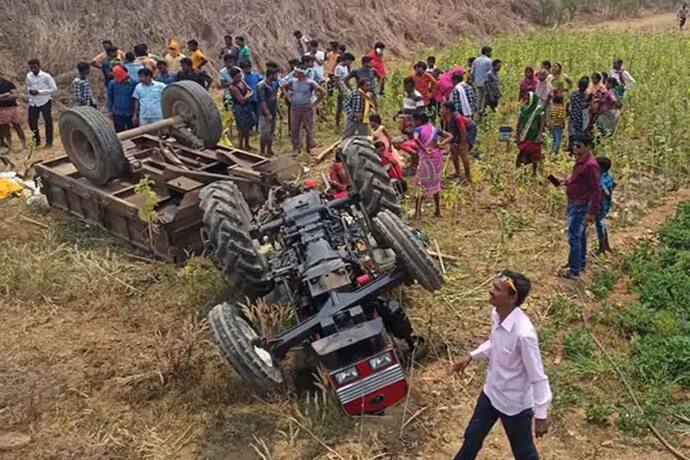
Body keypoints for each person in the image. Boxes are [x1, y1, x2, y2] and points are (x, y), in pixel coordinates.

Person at [451, 270, 551, 460]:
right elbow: (495, 343)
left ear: (512, 298)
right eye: (493, 286)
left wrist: (540, 415)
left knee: (524, 453)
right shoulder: (497, 314)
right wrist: (471, 356)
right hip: (491, 394)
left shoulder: (524, 334)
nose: (491, 290)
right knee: (472, 437)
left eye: (497, 289)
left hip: (514, 405)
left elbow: (538, 377)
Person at [552, 133, 601, 279]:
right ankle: (579, 262)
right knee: (580, 236)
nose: (574, 148)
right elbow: (579, 180)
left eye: (578, 146)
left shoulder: (590, 165)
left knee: (574, 237)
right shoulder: (581, 161)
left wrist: (592, 212)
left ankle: (574, 271)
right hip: (575, 203)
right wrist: (565, 181)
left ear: (587, 147)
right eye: (573, 145)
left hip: (580, 206)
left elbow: (596, 189)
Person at [411, 111, 452, 218]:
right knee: (436, 183)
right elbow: (449, 136)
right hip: (437, 158)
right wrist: (441, 144)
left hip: (426, 159)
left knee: (419, 184)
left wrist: (424, 149)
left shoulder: (418, 129)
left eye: (414, 120)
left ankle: (417, 212)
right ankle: (437, 210)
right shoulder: (435, 129)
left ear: (418, 121)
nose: (413, 122)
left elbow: (415, 138)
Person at [283, 67, 325, 156]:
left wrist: (315, 103)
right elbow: (284, 87)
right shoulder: (293, 81)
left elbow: (323, 92)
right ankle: (296, 148)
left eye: (297, 72)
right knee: (295, 129)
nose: (294, 74)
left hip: (307, 110)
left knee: (309, 129)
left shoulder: (310, 83)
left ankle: (310, 147)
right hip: (294, 109)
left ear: (302, 74)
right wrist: (288, 97)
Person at [442, 101, 475, 183]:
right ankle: (457, 172)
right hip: (456, 132)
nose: (441, 109)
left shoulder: (457, 117)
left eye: (443, 108)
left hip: (469, 129)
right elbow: (449, 129)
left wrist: (463, 144)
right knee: (454, 152)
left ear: (448, 109)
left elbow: (463, 132)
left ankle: (468, 176)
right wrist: (451, 143)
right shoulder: (445, 116)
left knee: (463, 153)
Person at [26, 59, 56, 148]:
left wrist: (39, 92)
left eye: (35, 67)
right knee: (32, 121)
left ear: (39, 66)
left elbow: (54, 89)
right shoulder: (29, 76)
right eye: (31, 67)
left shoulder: (46, 76)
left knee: (47, 122)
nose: (33, 69)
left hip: (45, 101)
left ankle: (49, 142)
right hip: (33, 102)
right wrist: (30, 91)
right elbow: (27, 86)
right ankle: (36, 141)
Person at [515, 92, 546, 176]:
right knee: (523, 153)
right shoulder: (523, 109)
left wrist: (539, 135)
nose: (527, 100)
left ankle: (534, 172)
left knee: (534, 155)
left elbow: (542, 124)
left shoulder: (539, 110)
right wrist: (517, 134)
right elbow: (519, 122)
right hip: (524, 135)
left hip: (534, 135)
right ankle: (523, 172)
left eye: (529, 99)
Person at [226, 67, 255, 150]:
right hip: (239, 108)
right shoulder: (232, 87)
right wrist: (249, 95)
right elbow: (242, 100)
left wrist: (247, 95)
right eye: (237, 77)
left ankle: (247, 144)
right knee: (241, 128)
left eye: (240, 76)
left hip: (246, 106)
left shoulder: (242, 81)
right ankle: (241, 145)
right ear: (233, 77)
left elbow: (250, 89)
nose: (239, 78)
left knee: (248, 126)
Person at [107, 65, 137, 132]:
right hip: (118, 112)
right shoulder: (112, 84)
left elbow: (136, 99)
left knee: (133, 132)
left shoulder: (134, 84)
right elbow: (110, 97)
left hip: (130, 113)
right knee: (120, 132)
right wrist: (110, 111)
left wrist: (135, 113)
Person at [595, 157, 615, 255]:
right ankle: (605, 245)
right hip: (606, 204)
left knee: (600, 224)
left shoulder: (600, 179)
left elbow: (606, 193)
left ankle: (602, 246)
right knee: (601, 223)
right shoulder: (609, 177)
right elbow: (614, 185)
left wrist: (602, 189)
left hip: (600, 205)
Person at [0, 75, 27, 151]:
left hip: (13, 108)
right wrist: (4, 96)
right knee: (5, 128)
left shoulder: (9, 83)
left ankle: (24, 146)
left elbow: (15, 95)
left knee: (17, 126)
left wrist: (3, 98)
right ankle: (10, 147)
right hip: (1, 109)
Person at [256, 68, 279, 156]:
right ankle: (262, 151)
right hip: (264, 113)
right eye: (276, 75)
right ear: (271, 75)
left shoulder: (272, 84)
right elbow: (262, 101)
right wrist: (267, 113)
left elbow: (274, 99)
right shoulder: (261, 86)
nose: (277, 77)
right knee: (264, 133)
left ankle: (269, 149)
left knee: (271, 132)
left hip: (272, 111)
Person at [239, 60, 264, 128]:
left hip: (256, 97)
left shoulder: (256, 75)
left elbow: (262, 80)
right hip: (248, 99)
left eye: (248, 68)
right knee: (250, 114)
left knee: (257, 113)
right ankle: (251, 127)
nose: (247, 69)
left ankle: (257, 127)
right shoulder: (242, 78)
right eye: (245, 68)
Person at [334, 53, 354, 129]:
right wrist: (340, 91)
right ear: (346, 60)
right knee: (339, 108)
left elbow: (346, 80)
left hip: (346, 90)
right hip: (341, 90)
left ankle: (347, 123)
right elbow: (336, 80)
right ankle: (337, 124)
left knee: (348, 107)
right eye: (350, 61)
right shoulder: (338, 68)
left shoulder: (345, 67)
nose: (350, 63)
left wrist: (350, 89)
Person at [470, 46, 493, 114]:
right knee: (485, 98)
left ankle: (477, 111)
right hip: (486, 83)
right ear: (487, 52)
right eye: (490, 52)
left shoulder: (476, 60)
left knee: (479, 98)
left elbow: (472, 72)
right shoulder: (489, 61)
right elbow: (490, 73)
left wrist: (473, 81)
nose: (491, 54)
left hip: (477, 83)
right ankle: (482, 112)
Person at [569, 77, 590, 146]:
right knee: (580, 137)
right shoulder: (587, 96)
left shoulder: (574, 94)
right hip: (582, 119)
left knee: (572, 135)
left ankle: (571, 148)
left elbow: (570, 104)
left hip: (573, 117)